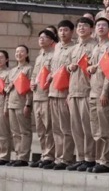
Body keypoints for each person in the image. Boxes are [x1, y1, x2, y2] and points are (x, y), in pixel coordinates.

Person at [65, 17, 98, 172]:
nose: (81, 28)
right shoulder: (74, 48)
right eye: (79, 26)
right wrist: (69, 67)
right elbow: (67, 68)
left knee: (87, 127)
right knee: (76, 128)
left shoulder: (95, 46)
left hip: (87, 91)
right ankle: (80, 158)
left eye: (85, 26)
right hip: (73, 91)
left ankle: (90, 158)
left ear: (91, 29)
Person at [87, 17, 109, 173]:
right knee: (96, 129)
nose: (100, 27)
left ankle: (107, 161)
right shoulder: (96, 47)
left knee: (106, 129)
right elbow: (94, 67)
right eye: (98, 25)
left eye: (104, 25)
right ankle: (99, 159)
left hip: (102, 93)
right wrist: (90, 68)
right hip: (93, 91)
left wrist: (105, 92)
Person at [45, 20, 76, 170]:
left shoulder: (75, 48)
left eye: (66, 30)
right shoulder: (56, 47)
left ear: (72, 32)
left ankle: (66, 158)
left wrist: (70, 93)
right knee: (56, 128)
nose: (63, 33)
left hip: (65, 91)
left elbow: (73, 72)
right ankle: (58, 157)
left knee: (66, 128)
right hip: (53, 91)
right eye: (61, 30)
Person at [30, 30, 57, 168]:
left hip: (47, 95)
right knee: (40, 129)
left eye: (45, 37)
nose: (41, 39)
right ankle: (43, 153)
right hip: (37, 96)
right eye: (40, 37)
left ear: (51, 40)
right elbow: (34, 74)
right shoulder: (39, 56)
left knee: (48, 127)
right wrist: (31, 82)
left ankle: (49, 155)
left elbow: (55, 73)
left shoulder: (54, 55)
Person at [5, 45, 33, 166]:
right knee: (15, 132)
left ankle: (23, 157)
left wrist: (28, 104)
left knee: (24, 131)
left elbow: (30, 89)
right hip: (11, 103)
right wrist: (6, 105)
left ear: (26, 54)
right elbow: (7, 89)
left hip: (22, 103)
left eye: (22, 51)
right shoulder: (12, 71)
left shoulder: (29, 69)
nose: (19, 54)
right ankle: (18, 155)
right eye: (17, 52)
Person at [0, 50, 12, 165]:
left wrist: (6, 106)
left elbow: (8, 92)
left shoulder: (9, 73)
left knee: (3, 131)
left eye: (1, 57)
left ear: (7, 59)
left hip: (2, 101)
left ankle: (4, 156)